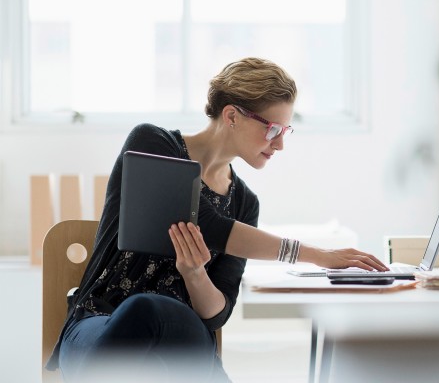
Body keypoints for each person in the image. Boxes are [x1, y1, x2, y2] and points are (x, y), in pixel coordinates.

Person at [46, 57, 389, 382]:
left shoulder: (244, 203)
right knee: (144, 309)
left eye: (286, 131)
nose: (280, 144)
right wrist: (319, 255)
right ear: (232, 116)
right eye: (273, 129)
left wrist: (195, 275)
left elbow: (217, 313)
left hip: (181, 337)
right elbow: (207, 224)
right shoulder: (152, 144)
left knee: (164, 320)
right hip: (100, 323)